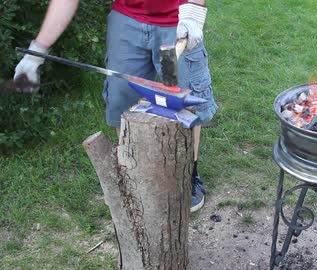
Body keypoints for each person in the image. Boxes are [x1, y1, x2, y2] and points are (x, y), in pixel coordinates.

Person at [13, 0, 217, 212]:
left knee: (178, 101)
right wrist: (36, 51)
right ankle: (135, 176)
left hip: (174, 23)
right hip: (128, 23)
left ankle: (187, 175)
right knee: (123, 103)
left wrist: (191, 16)